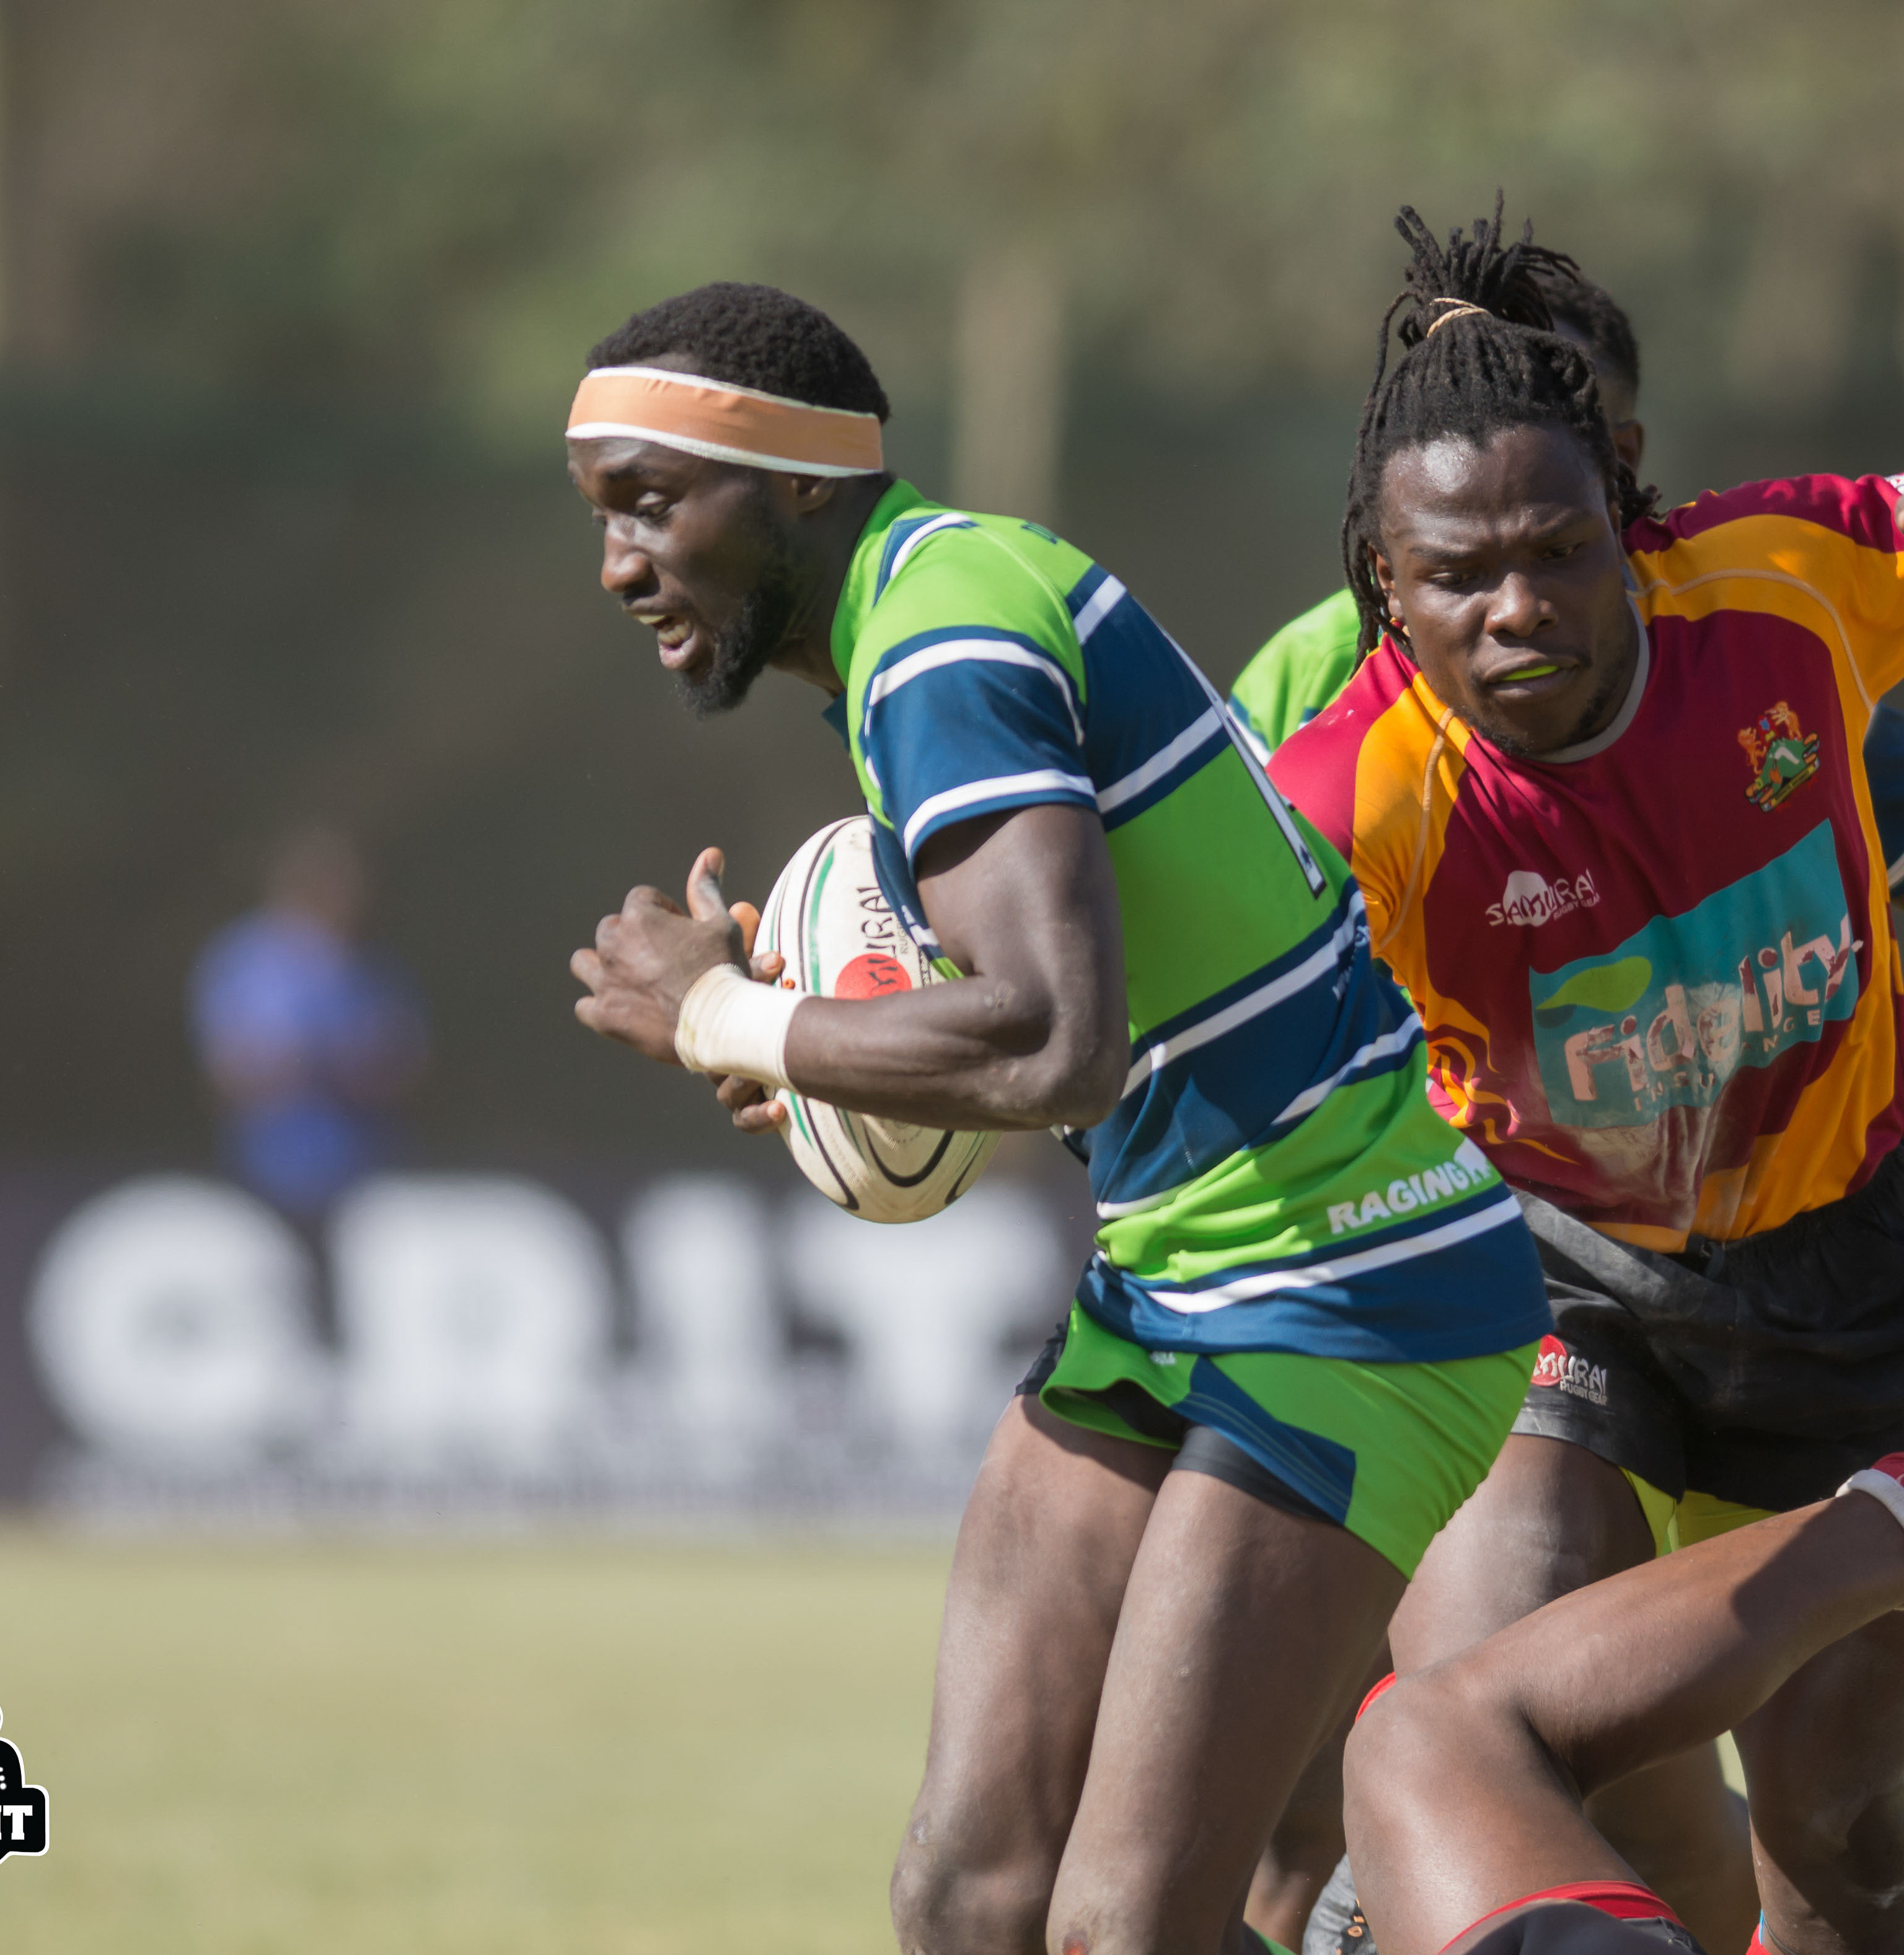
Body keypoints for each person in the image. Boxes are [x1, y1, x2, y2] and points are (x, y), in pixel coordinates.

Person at [558, 280, 1551, 1955]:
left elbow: (1048, 1041)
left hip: (1353, 1285)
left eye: (652, 503)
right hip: (1177, 1278)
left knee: (1122, 1931)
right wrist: (809, 1048)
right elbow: (1057, 1023)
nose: (619, 563)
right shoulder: (921, 615)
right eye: (603, 520)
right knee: (975, 1898)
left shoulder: (941, 634)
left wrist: (726, 1014)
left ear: (798, 480)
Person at [1261, 207, 1904, 1955]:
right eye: (1456, 577)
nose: (1517, 608)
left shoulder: (1778, 590)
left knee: (1839, 1841)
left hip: (1849, 1278)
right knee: (1466, 1700)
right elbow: (1131, 1008)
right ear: (1381, 583)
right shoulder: (1342, 796)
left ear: (1627, 513)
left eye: (1558, 552)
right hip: (1556, 1280)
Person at [189, 826, 425, 1213]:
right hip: (262, 1173)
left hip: (366, 1174)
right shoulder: (241, 962)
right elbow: (225, 1070)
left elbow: (406, 1064)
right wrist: (307, 1061)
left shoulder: (372, 967)